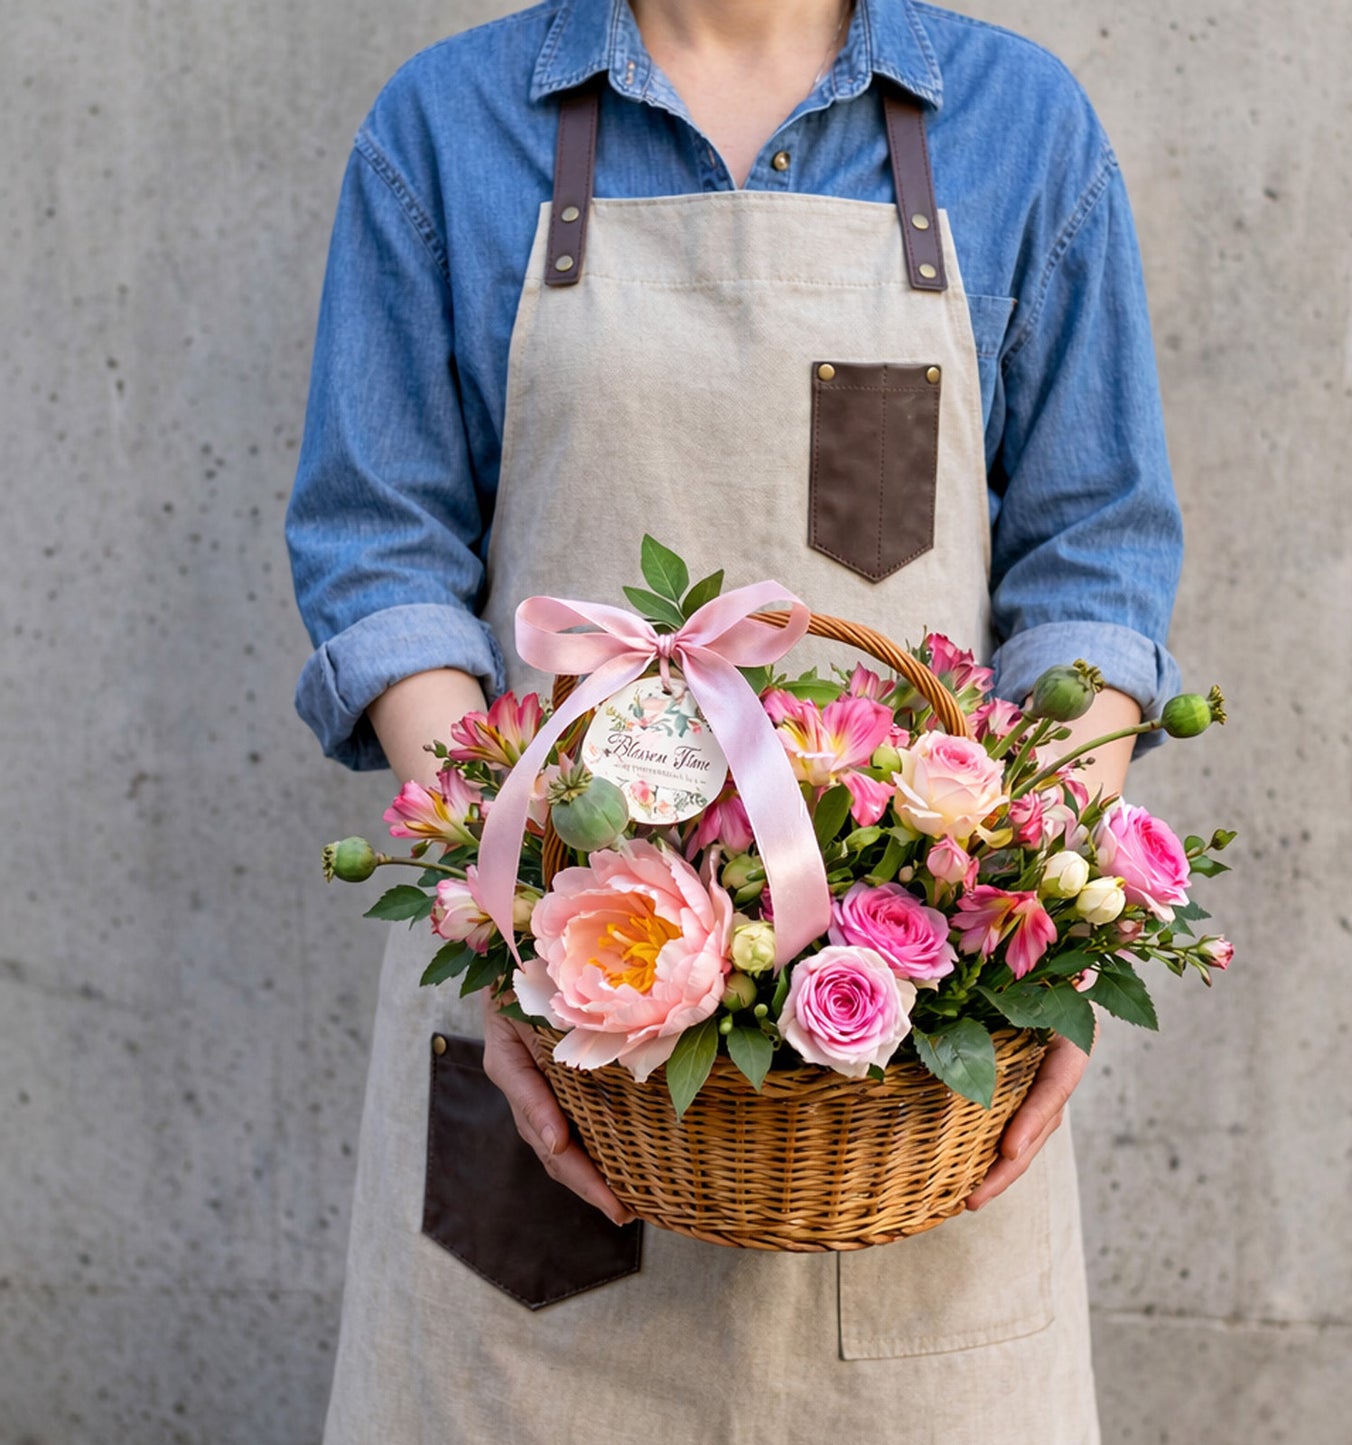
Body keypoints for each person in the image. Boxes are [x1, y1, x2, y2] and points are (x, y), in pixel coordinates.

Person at [286, 0, 1183, 1439]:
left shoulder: (1016, 128)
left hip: (906, 1094)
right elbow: (379, 550)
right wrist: (503, 916)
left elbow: (1091, 564)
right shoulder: (447, 129)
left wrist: (1049, 928)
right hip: (557, 1033)